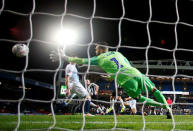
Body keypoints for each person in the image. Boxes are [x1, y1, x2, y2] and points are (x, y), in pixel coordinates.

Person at [50, 42, 172, 119]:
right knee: (154, 90)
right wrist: (113, 76)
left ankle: (161, 105)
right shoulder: (117, 53)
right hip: (136, 72)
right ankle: (168, 108)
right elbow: (125, 65)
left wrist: (64, 57)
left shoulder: (99, 57)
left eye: (97, 49)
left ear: (102, 50)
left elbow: (82, 61)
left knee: (139, 98)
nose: (95, 51)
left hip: (126, 80)